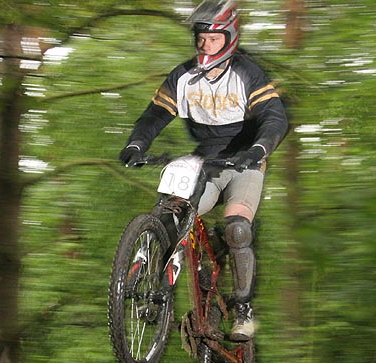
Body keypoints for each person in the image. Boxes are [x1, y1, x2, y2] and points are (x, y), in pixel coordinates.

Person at [118, 0, 288, 340]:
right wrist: (136, 144)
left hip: (245, 162)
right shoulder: (183, 76)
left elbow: (274, 117)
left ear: (230, 38)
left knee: (237, 228)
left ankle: (243, 310)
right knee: (173, 213)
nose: (206, 46)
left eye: (213, 39)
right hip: (205, 161)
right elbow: (154, 116)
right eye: (201, 39)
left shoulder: (247, 73)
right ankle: (158, 292)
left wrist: (258, 149)